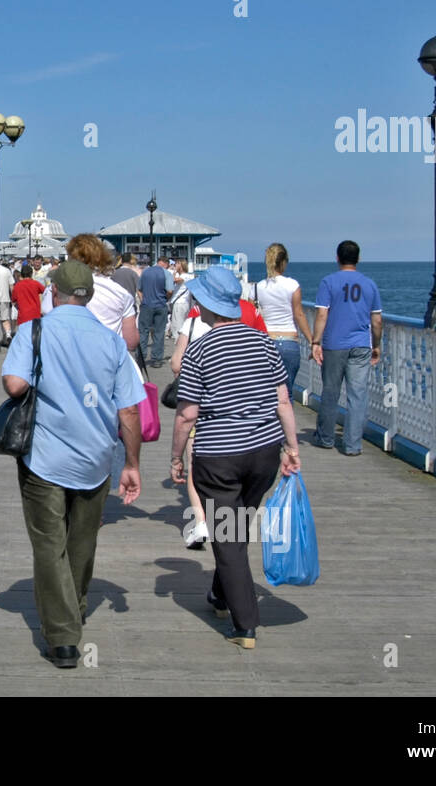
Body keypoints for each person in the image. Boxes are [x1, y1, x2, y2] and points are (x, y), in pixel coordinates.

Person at [2, 259, 145, 669]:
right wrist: (130, 464)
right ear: (91, 296)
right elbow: (130, 411)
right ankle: (76, 605)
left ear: (54, 292)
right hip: (97, 457)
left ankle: (63, 638)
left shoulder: (35, 331)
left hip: (44, 456)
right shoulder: (112, 342)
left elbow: (15, 384)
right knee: (82, 540)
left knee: (49, 544)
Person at [169, 265, 301, 649]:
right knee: (236, 525)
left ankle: (245, 624)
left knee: (228, 534)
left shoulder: (200, 348)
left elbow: (187, 413)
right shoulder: (264, 343)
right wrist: (292, 448)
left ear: (206, 305)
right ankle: (222, 593)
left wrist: (177, 458)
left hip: (219, 455)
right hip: (263, 453)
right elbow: (282, 401)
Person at [171, 277, 268, 548]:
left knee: (194, 462)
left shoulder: (195, 315)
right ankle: (235, 529)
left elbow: (176, 363)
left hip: (204, 409)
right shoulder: (250, 311)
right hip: (250, 418)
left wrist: (173, 457)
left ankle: (201, 521)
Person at [311, 240, 383, 456]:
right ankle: (353, 445)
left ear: (337, 258)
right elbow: (377, 320)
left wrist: (316, 341)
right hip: (361, 344)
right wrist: (376, 345)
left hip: (334, 344)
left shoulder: (328, 282)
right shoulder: (369, 284)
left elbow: (322, 314)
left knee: (331, 392)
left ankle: (326, 438)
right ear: (358, 259)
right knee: (357, 395)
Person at [254, 243, 314, 397]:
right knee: (286, 395)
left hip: (266, 343)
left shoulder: (258, 288)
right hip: (289, 343)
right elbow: (299, 315)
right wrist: (312, 341)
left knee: (265, 394)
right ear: (284, 262)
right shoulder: (292, 285)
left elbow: (254, 317)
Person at [65, 234, 138, 351]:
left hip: (68, 359)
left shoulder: (57, 289)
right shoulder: (120, 293)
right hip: (108, 358)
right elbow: (131, 342)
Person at [138, 256, 172, 365]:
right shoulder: (166, 273)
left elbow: (139, 289)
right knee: (159, 332)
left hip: (146, 305)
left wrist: (143, 300)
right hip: (161, 305)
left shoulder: (145, 272)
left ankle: (141, 358)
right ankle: (156, 359)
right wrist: (165, 298)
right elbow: (170, 290)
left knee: (143, 332)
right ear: (166, 263)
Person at [10, 263, 43, 331]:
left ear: (21, 274)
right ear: (31, 274)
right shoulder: (36, 283)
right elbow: (45, 291)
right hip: (35, 314)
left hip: (23, 315)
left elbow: (13, 299)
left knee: (24, 337)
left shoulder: (17, 286)